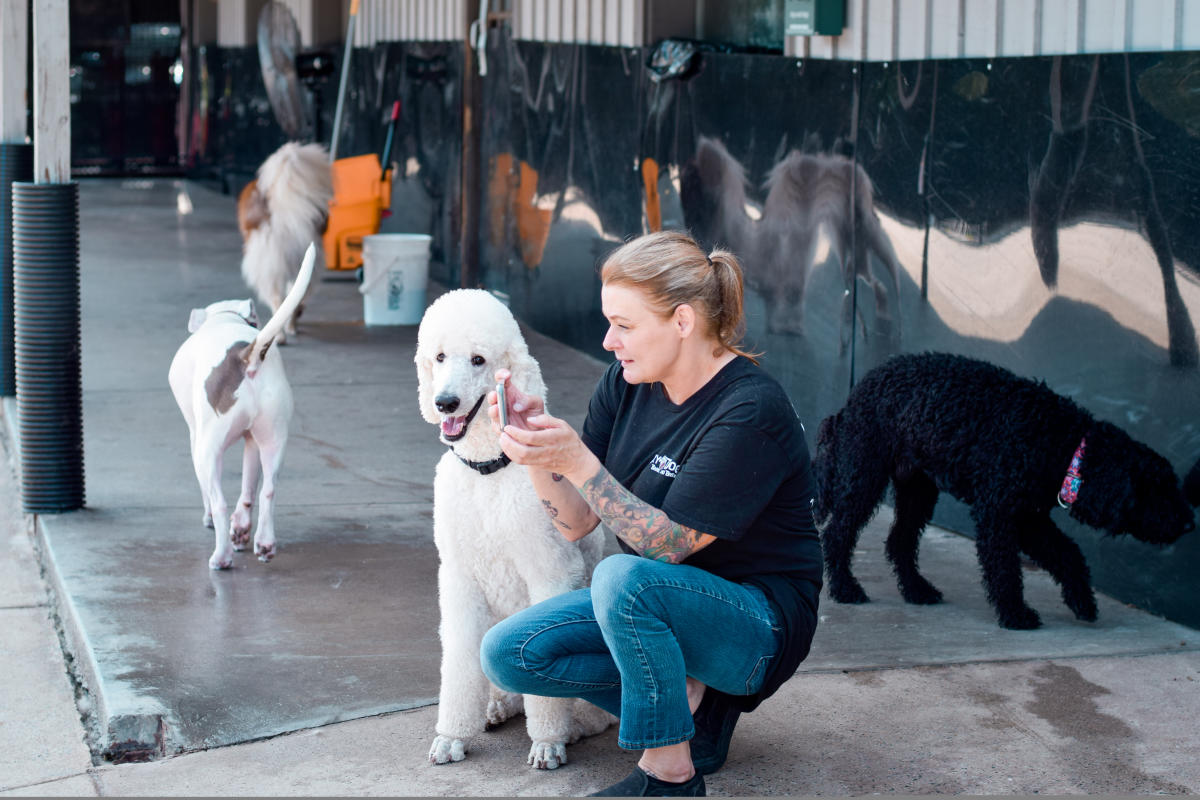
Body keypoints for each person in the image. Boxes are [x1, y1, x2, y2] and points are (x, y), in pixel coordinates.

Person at [480, 230, 822, 797]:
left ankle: (669, 776)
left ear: (683, 322)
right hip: (657, 602)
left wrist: (580, 462)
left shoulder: (748, 410)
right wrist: (537, 452)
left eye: (625, 324)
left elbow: (668, 548)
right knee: (509, 652)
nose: (609, 340)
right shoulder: (628, 381)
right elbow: (576, 523)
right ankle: (694, 729)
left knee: (623, 578)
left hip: (756, 625)